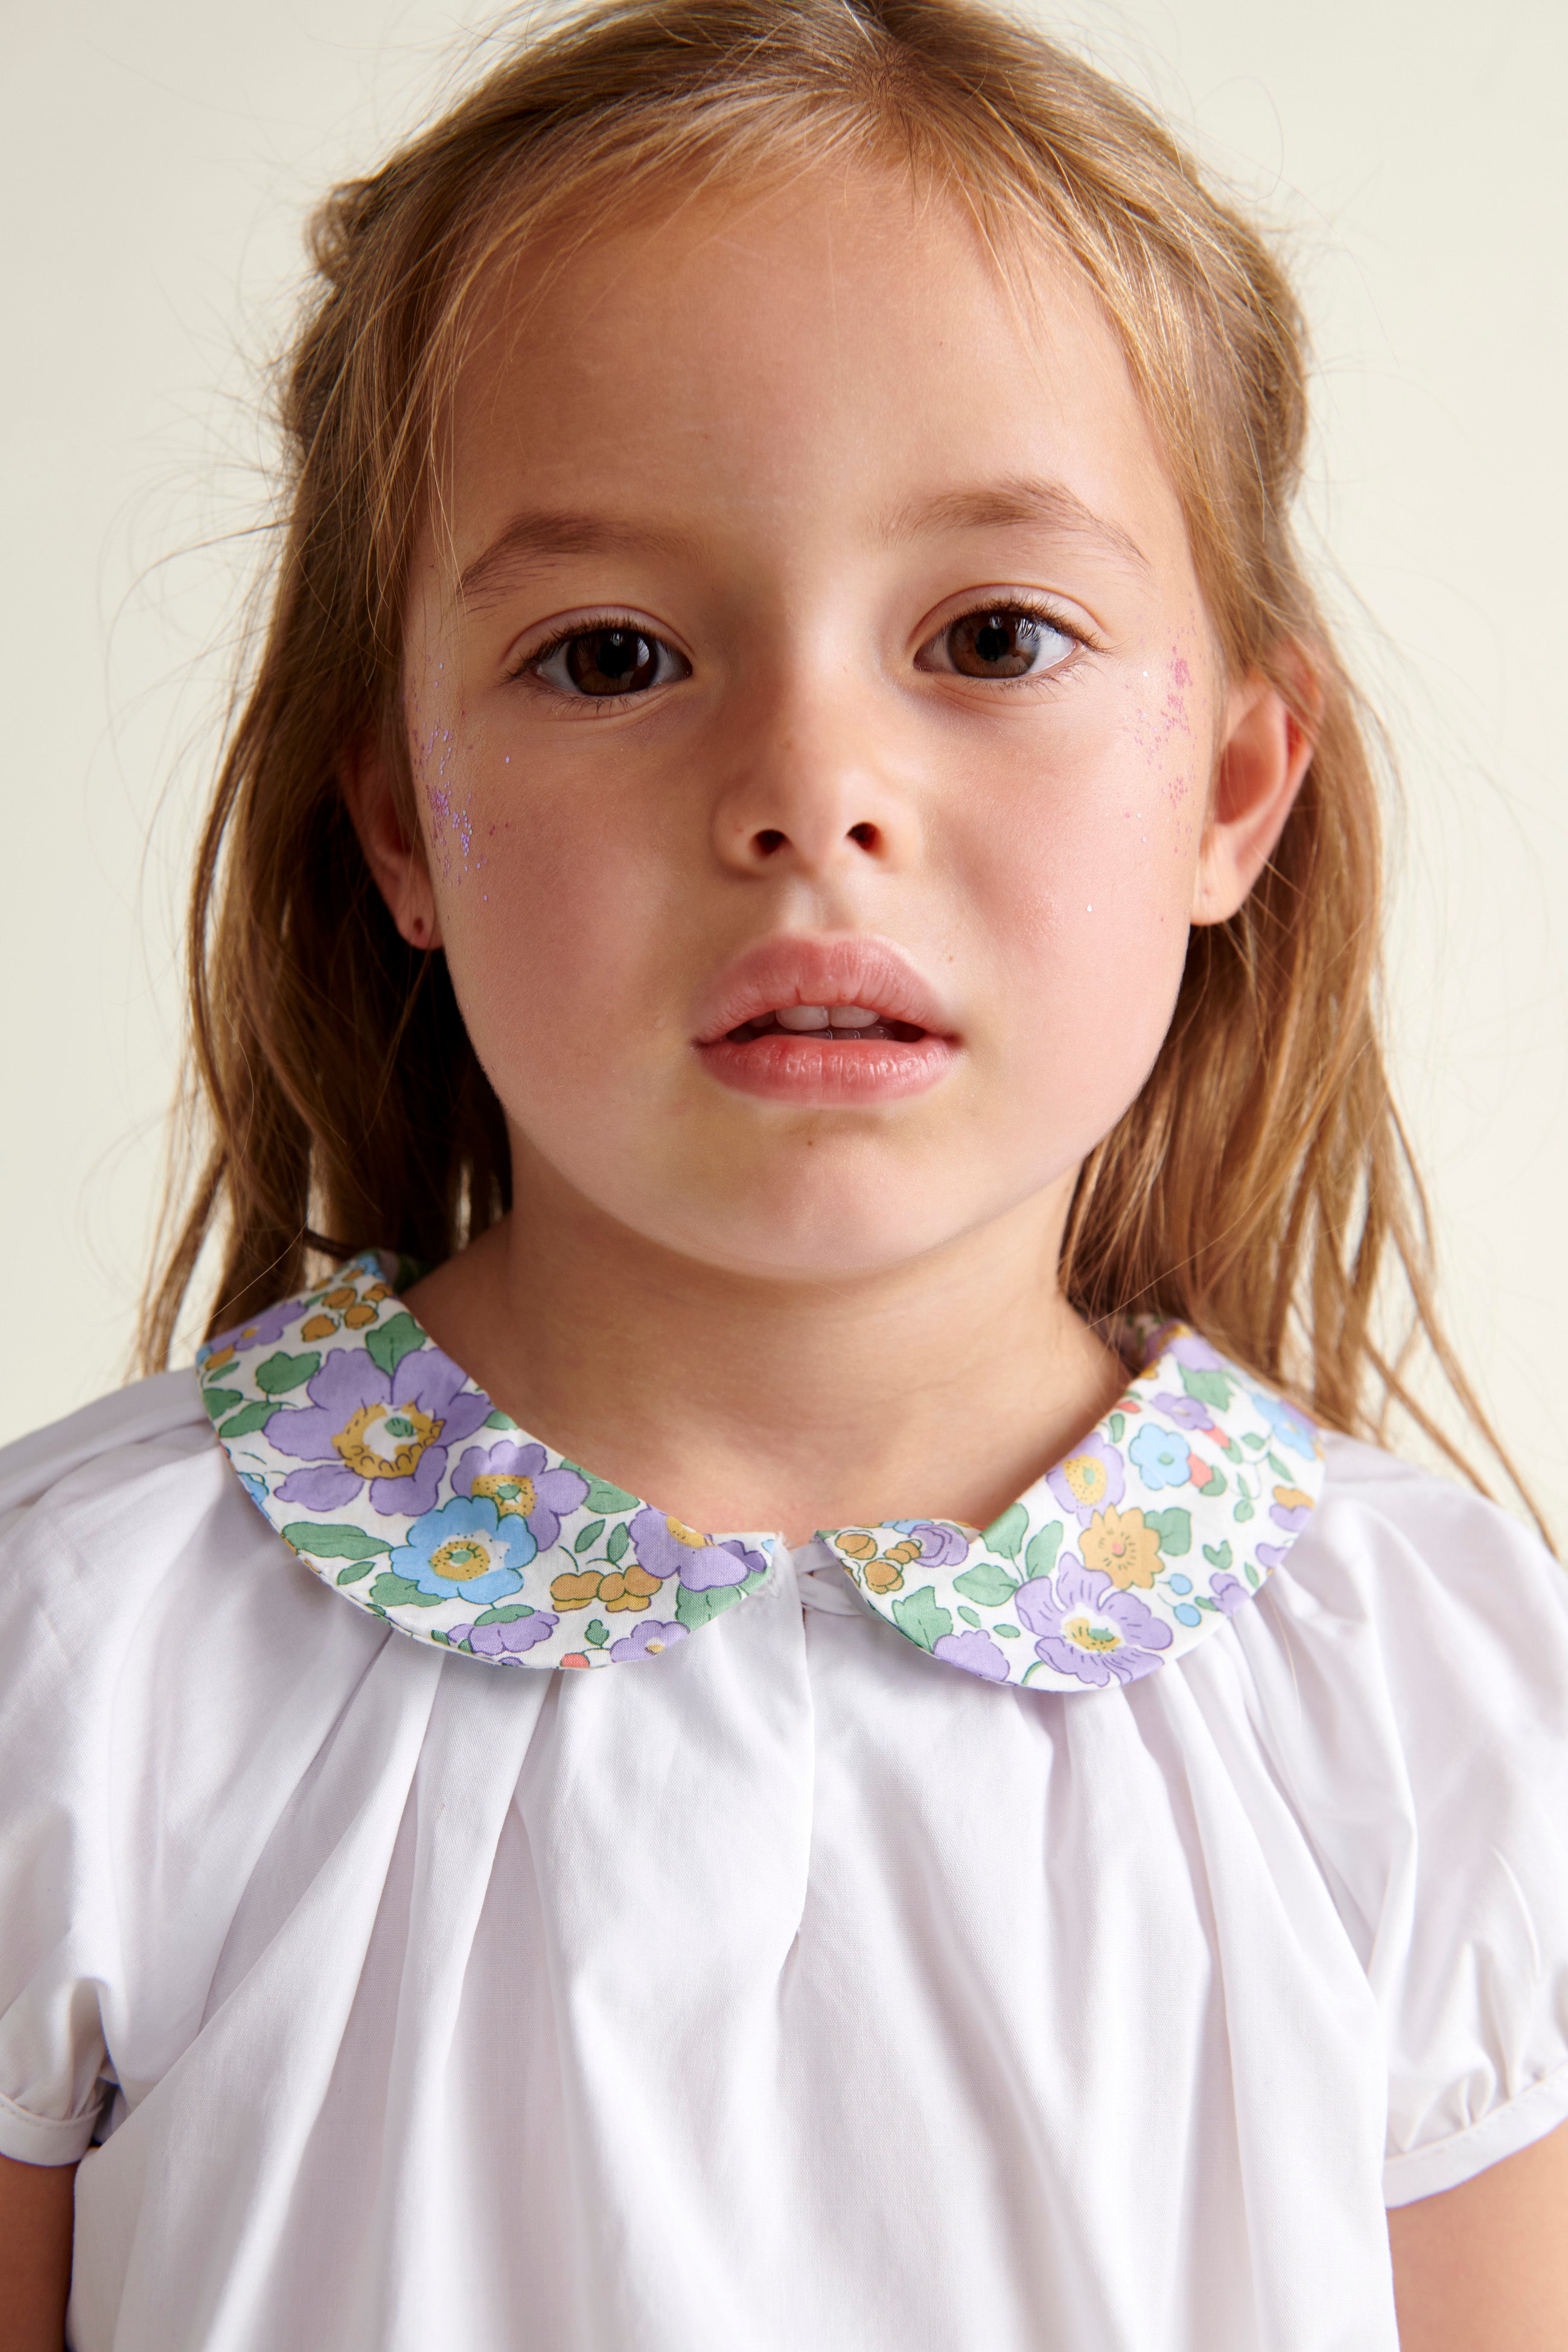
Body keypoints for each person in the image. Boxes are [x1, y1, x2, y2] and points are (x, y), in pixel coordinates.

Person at [2, 1, 1566, 2344]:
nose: (806, 787)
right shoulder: (80, 1668)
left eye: (990, 636)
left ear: (1232, 788)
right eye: (612, 650)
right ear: (398, 813)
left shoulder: (1439, 1705)